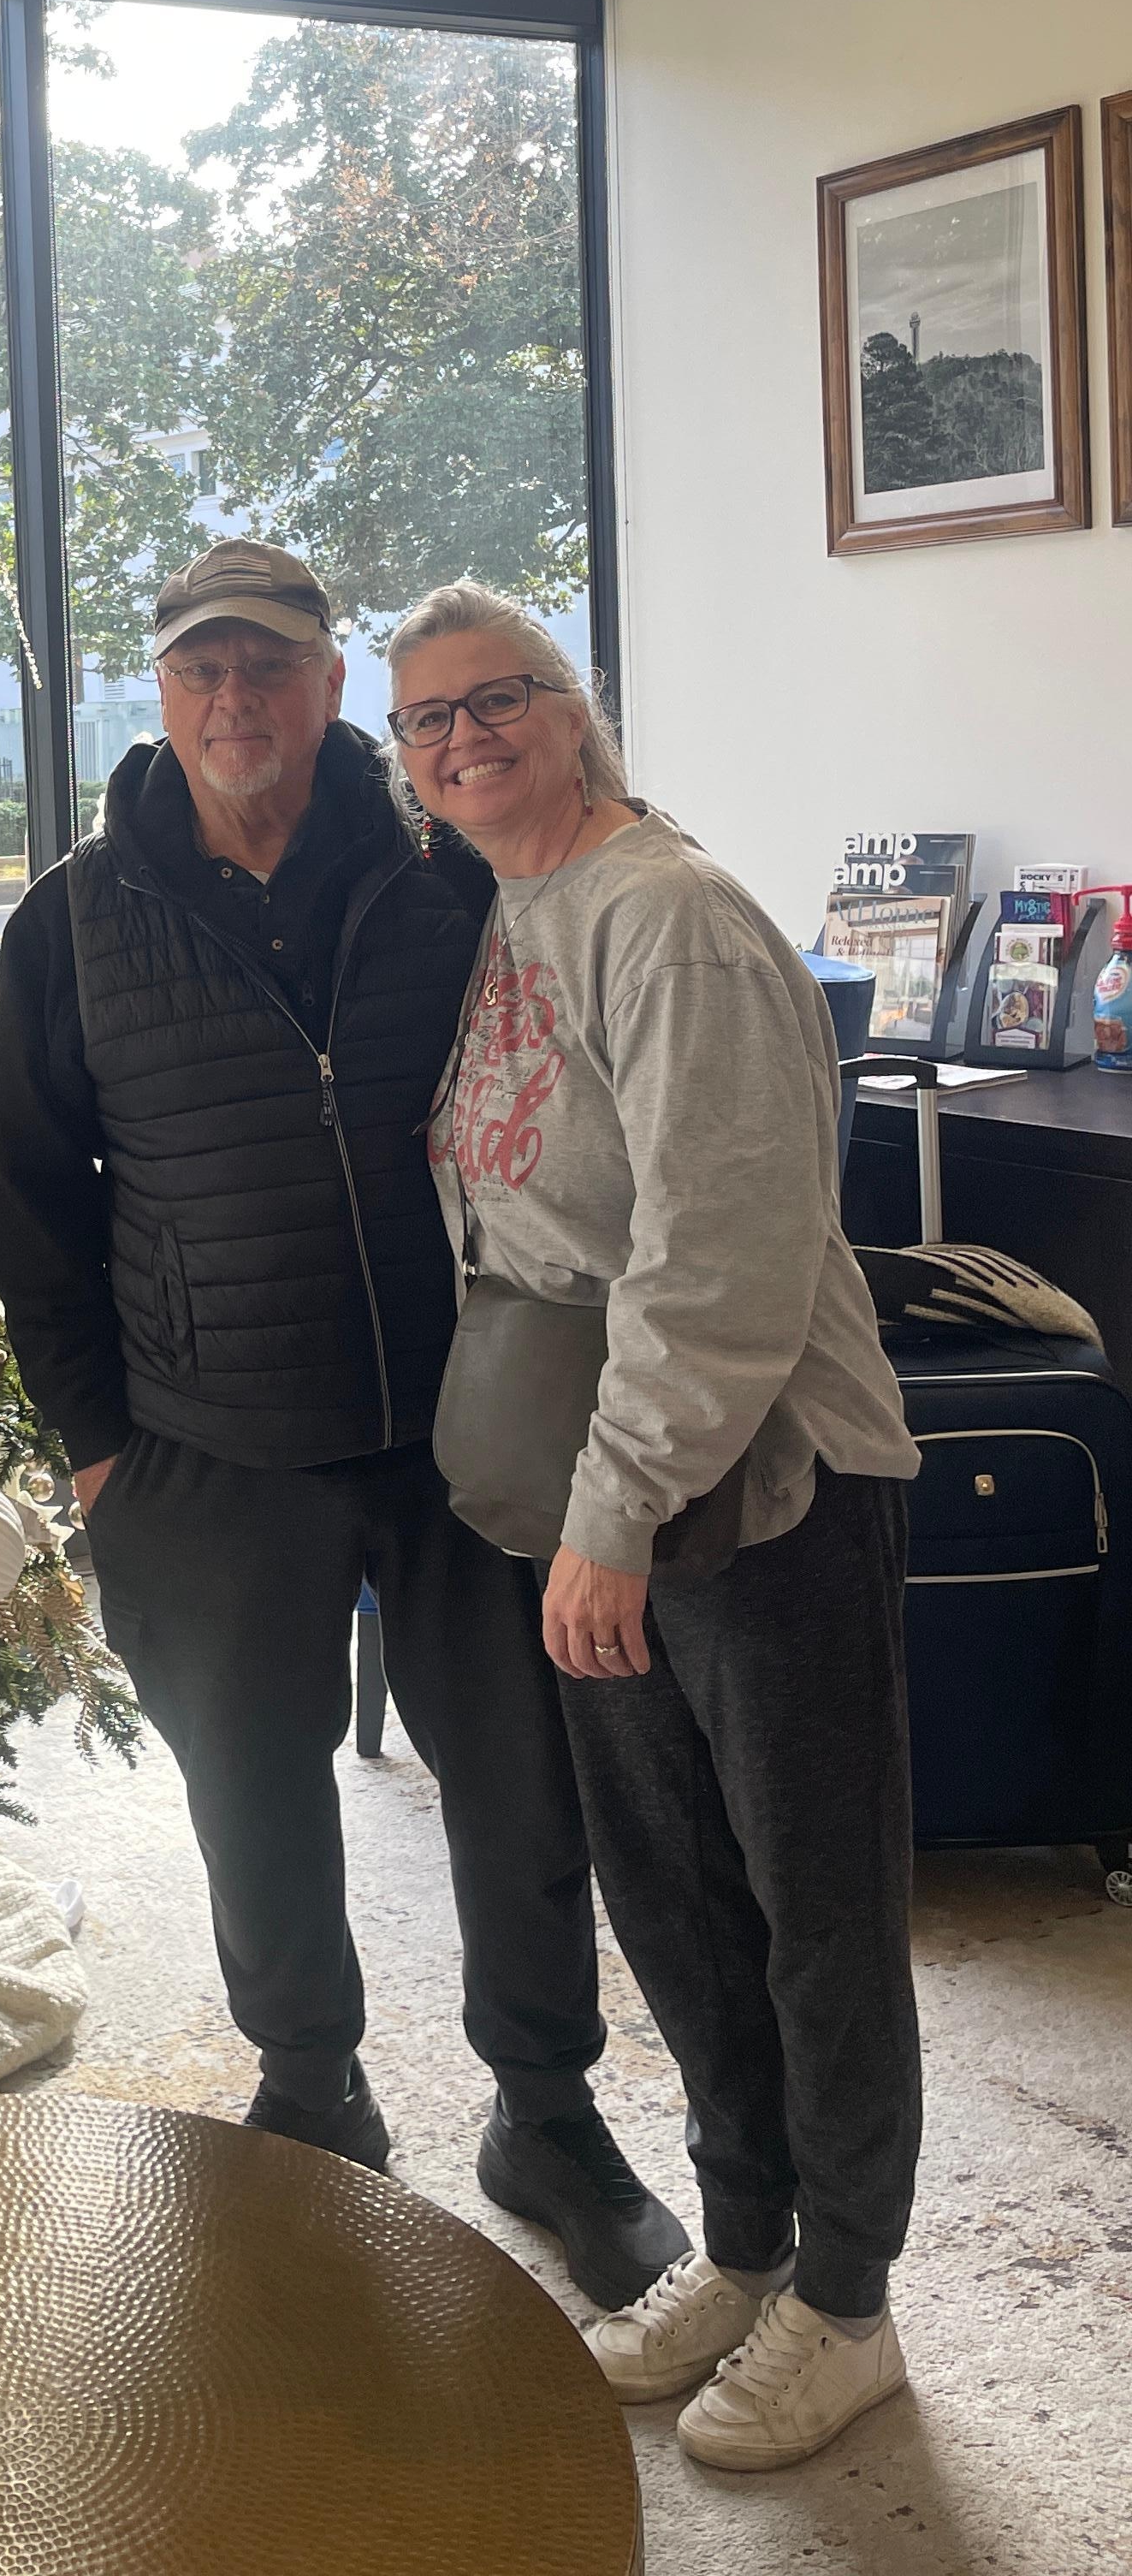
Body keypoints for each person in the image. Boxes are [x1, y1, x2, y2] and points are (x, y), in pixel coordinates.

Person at [0, 539, 687, 2312]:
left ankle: (547, 2114)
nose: (236, 700)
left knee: (525, 1792)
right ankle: (314, 2092)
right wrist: (95, 1455)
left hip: (465, 1442)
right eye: (203, 667)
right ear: (163, 691)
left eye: (272, 666)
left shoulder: (456, 877)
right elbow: (32, 1211)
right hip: (206, 1450)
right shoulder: (67, 920)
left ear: (328, 689)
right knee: (256, 1798)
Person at [388, 579, 923, 2476]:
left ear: (575, 712)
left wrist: (610, 1515)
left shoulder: (670, 921)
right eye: (427, 720)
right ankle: (752, 2240)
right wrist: (573, 1508)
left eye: (497, 699)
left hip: (748, 1488)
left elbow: (719, 1263)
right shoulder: (523, 908)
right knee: (676, 1894)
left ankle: (846, 2302)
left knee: (810, 1903)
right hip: (598, 1494)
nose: (463, 738)